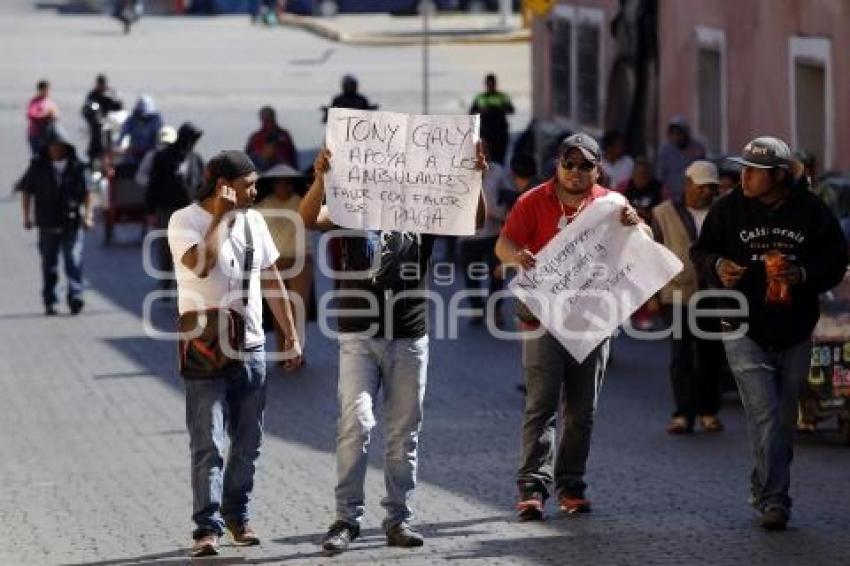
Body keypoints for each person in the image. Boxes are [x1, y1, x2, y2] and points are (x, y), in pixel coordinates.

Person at [299, 146, 486, 555]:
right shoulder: (350, 213)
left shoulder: (423, 215)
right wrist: (321, 179)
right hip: (359, 337)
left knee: (404, 434)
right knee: (358, 424)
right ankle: (346, 518)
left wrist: (476, 178)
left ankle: (399, 519)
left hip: (409, 337)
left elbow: (475, 221)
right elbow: (308, 218)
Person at [691, 136, 848, 531]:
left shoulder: (811, 211)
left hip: (795, 327)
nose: (742, 176)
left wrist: (802, 275)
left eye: (753, 171)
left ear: (778, 175)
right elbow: (701, 251)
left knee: (782, 416)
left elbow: (835, 259)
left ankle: (764, 487)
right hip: (742, 324)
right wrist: (718, 266)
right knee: (765, 412)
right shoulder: (728, 209)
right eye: (741, 168)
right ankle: (775, 498)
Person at [495, 133, 647, 520]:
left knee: (581, 411)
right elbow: (503, 245)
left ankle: (571, 485)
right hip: (541, 317)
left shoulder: (612, 204)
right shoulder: (532, 200)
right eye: (569, 164)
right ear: (556, 165)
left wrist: (636, 225)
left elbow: (645, 244)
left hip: (592, 320)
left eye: (585, 166)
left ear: (598, 169)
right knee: (541, 405)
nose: (576, 172)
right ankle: (532, 487)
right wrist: (518, 256)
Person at [168, 150, 303, 557]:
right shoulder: (184, 220)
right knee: (208, 442)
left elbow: (272, 276)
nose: (255, 191)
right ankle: (205, 529)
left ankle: (237, 515)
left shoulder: (255, 220)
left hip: (252, 346)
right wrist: (221, 217)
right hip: (206, 346)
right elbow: (201, 264)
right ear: (223, 184)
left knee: (248, 442)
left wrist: (291, 335)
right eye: (249, 184)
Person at [651, 160, 725, 434]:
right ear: (687, 184)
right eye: (702, 187)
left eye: (711, 188)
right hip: (677, 292)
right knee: (680, 353)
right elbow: (653, 255)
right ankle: (683, 413)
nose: (706, 192)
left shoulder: (722, 212)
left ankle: (708, 411)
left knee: (710, 353)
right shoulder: (663, 213)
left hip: (713, 293)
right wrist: (654, 295)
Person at [18, 128, 93, 316]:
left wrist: (88, 215)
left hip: (71, 221)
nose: (56, 150)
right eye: (53, 147)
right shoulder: (38, 166)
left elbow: (88, 192)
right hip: (47, 222)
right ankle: (50, 300)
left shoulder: (77, 166)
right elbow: (27, 191)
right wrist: (26, 217)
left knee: (73, 260)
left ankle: (76, 296)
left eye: (60, 147)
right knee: (49, 264)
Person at [254, 163, 313, 356]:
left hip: (300, 260)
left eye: (288, 183)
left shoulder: (302, 203)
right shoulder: (262, 206)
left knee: (298, 310)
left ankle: (297, 352)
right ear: (273, 185)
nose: (284, 187)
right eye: (280, 184)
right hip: (273, 263)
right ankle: (282, 352)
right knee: (279, 311)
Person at [460, 142, 516, 327]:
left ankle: (495, 309)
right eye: (476, 152)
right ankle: (477, 310)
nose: (481, 155)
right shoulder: (460, 173)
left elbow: (511, 196)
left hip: (494, 233)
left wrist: (500, 214)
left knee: (497, 273)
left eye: (484, 150)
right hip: (468, 235)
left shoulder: (498, 171)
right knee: (471, 275)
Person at [145, 122, 204, 292]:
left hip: (190, 209)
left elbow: (203, 183)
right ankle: (165, 280)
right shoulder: (163, 157)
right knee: (166, 246)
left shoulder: (195, 158)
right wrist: (150, 209)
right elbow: (153, 184)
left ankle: (183, 282)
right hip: (167, 209)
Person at [656, 116, 705, 202]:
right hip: (672, 197)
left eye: (679, 133)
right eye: (673, 134)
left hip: (694, 195)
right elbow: (660, 176)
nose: (676, 137)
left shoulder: (697, 148)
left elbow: (703, 172)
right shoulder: (665, 150)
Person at [469, 73, 514, 165]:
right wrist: (482, 111)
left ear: (495, 84)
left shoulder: (502, 97)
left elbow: (511, 110)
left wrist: (498, 109)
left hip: (500, 133)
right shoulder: (480, 97)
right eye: (488, 84)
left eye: (492, 84)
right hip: (486, 132)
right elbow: (471, 112)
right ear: (485, 84)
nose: (490, 86)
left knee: (500, 159)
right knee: (486, 157)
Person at [81, 74, 123, 162]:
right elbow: (86, 109)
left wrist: (110, 100)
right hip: (96, 125)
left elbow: (119, 106)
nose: (100, 86)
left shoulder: (111, 93)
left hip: (110, 123)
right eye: (99, 84)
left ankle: (109, 162)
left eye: (102, 84)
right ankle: (93, 160)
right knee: (95, 144)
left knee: (108, 145)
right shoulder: (92, 94)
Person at [245, 106, 299, 171]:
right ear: (261, 119)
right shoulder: (255, 138)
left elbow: (292, 156)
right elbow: (247, 159)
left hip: (283, 173)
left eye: (270, 117)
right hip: (263, 174)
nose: (268, 121)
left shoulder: (284, 135)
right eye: (266, 118)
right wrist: (262, 156)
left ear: (274, 117)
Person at [118, 95, 163, 167]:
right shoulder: (131, 120)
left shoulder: (156, 120)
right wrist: (119, 146)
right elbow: (122, 134)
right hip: (134, 153)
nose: (143, 116)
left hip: (149, 154)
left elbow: (159, 138)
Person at [620, 157, 663, 222]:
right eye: (636, 174)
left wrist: (644, 213)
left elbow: (662, 214)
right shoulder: (626, 188)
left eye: (643, 175)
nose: (639, 178)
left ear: (649, 175)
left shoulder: (659, 189)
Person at [135, 124, 177, 189]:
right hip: (156, 193)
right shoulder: (151, 155)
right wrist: (154, 182)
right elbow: (139, 177)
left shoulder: (179, 156)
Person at [27, 80, 60, 155]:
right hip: (36, 134)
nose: (47, 92)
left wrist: (54, 115)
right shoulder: (35, 101)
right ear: (40, 90)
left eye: (48, 89)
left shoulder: (49, 101)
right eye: (45, 89)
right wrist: (45, 114)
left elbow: (56, 114)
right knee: (38, 157)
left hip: (48, 134)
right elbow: (31, 115)